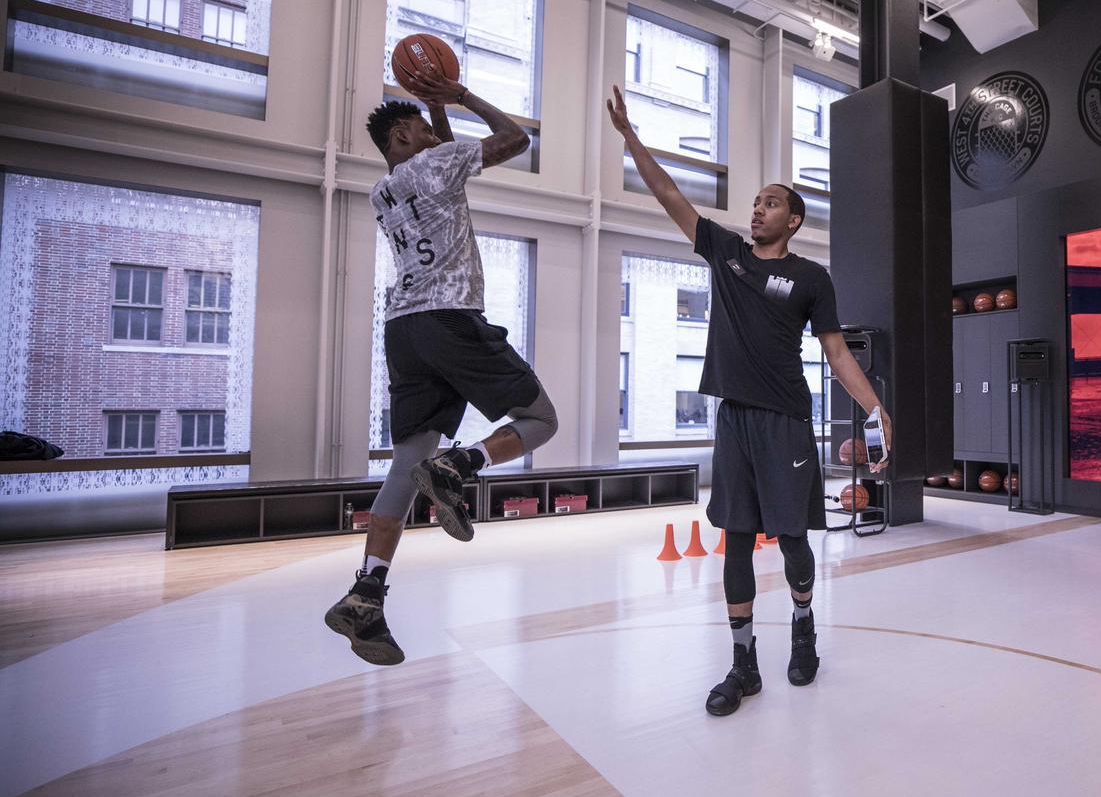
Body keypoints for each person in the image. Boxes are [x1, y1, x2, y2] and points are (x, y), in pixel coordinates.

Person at [605, 84, 891, 716]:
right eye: (756, 202)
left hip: (786, 420)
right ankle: (743, 665)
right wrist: (631, 140)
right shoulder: (727, 253)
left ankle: (804, 628)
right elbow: (670, 195)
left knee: (792, 540)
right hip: (733, 420)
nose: (757, 210)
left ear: (793, 220)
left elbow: (838, 354)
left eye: (770, 204)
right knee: (735, 539)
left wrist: (876, 409)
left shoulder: (813, 278)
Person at [323, 68, 557, 666]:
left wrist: (438, 118)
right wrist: (461, 97)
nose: (434, 132)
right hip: (448, 317)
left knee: (405, 463)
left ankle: (366, 593)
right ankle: (459, 465)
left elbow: (447, 156)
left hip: (404, 328)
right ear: (403, 133)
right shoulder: (434, 165)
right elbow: (514, 139)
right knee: (540, 419)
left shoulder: (386, 188)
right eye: (422, 126)